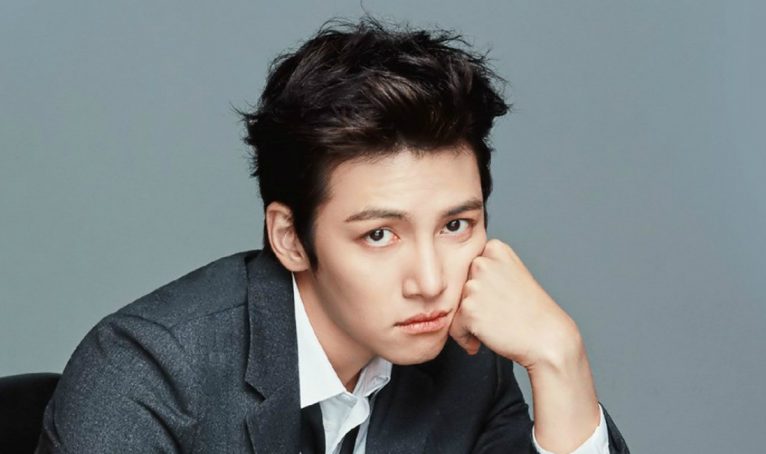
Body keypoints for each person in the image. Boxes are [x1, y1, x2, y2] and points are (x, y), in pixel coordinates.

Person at [36, 18, 629, 454]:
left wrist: (562, 359)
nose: (431, 283)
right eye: (380, 234)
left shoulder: (468, 358)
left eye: (456, 226)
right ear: (290, 238)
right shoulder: (146, 373)